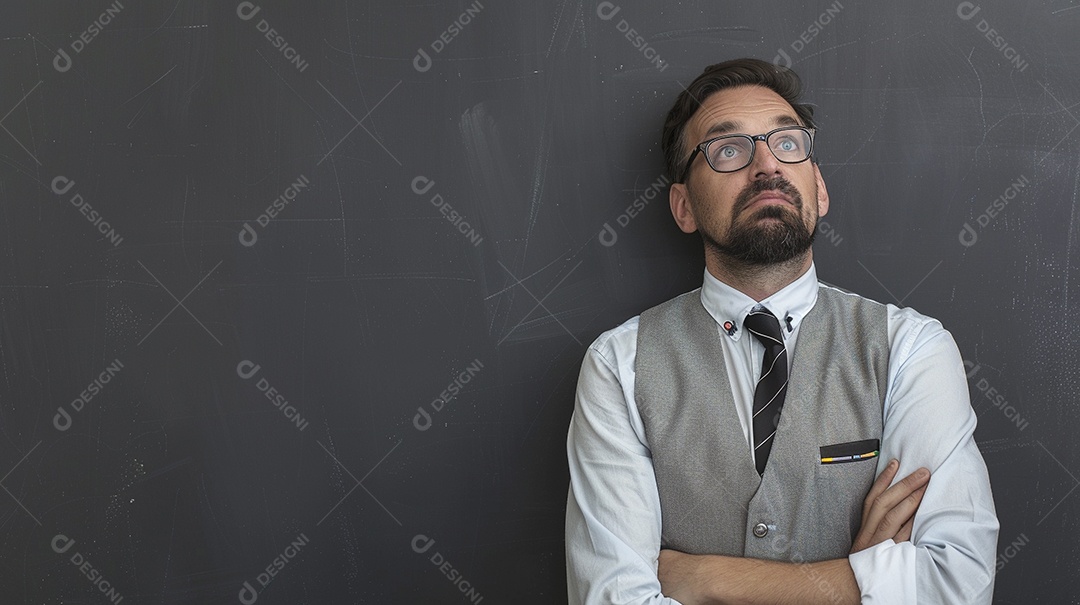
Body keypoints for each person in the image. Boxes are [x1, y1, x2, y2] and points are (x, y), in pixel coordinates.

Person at [565, 58, 999, 604]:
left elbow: (957, 585)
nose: (767, 166)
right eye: (728, 150)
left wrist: (706, 581)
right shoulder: (619, 365)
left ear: (818, 187)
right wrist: (861, 581)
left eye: (788, 143)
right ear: (683, 207)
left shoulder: (912, 349)